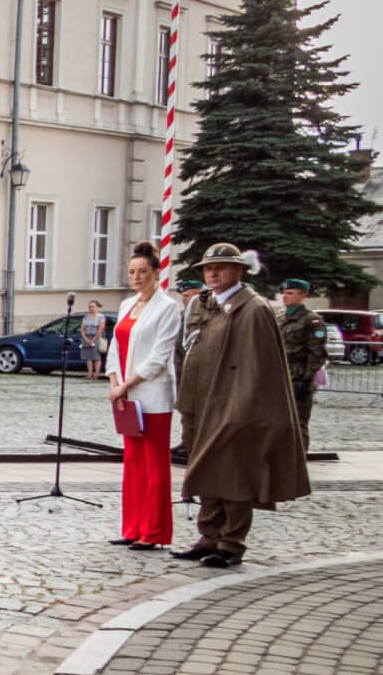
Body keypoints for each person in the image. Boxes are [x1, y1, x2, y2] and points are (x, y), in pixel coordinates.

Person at [170, 242, 310, 568]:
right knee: (205, 470)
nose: (213, 273)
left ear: (239, 270)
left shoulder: (253, 309)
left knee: (234, 476)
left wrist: (243, 409)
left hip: (235, 408)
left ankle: (231, 543)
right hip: (202, 404)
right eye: (208, 268)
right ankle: (209, 536)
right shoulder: (207, 306)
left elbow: (260, 367)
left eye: (220, 267)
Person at [106, 244, 181, 551]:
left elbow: (159, 356)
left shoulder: (167, 307)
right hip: (125, 392)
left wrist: (127, 385)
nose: (136, 277)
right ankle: (132, 527)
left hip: (152, 393)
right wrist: (115, 382)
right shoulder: (126, 305)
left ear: (156, 273)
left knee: (154, 464)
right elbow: (114, 348)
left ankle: (154, 530)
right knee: (132, 463)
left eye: (143, 272)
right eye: (132, 272)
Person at [277, 279, 329, 452]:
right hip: (280, 376)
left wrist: (306, 380)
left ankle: (299, 458)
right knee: (279, 421)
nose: (285, 296)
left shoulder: (312, 320)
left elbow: (317, 353)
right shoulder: (281, 317)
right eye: (284, 293)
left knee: (298, 422)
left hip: (298, 376)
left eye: (290, 293)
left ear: (303, 295)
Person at [81, 300, 107, 382]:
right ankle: (89, 374)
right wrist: (85, 339)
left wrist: (93, 340)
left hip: (97, 337)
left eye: (92, 306)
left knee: (96, 357)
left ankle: (96, 374)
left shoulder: (101, 317)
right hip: (87, 337)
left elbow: (101, 329)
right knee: (88, 357)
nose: (91, 308)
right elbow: (82, 328)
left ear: (97, 307)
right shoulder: (86, 317)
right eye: (89, 307)